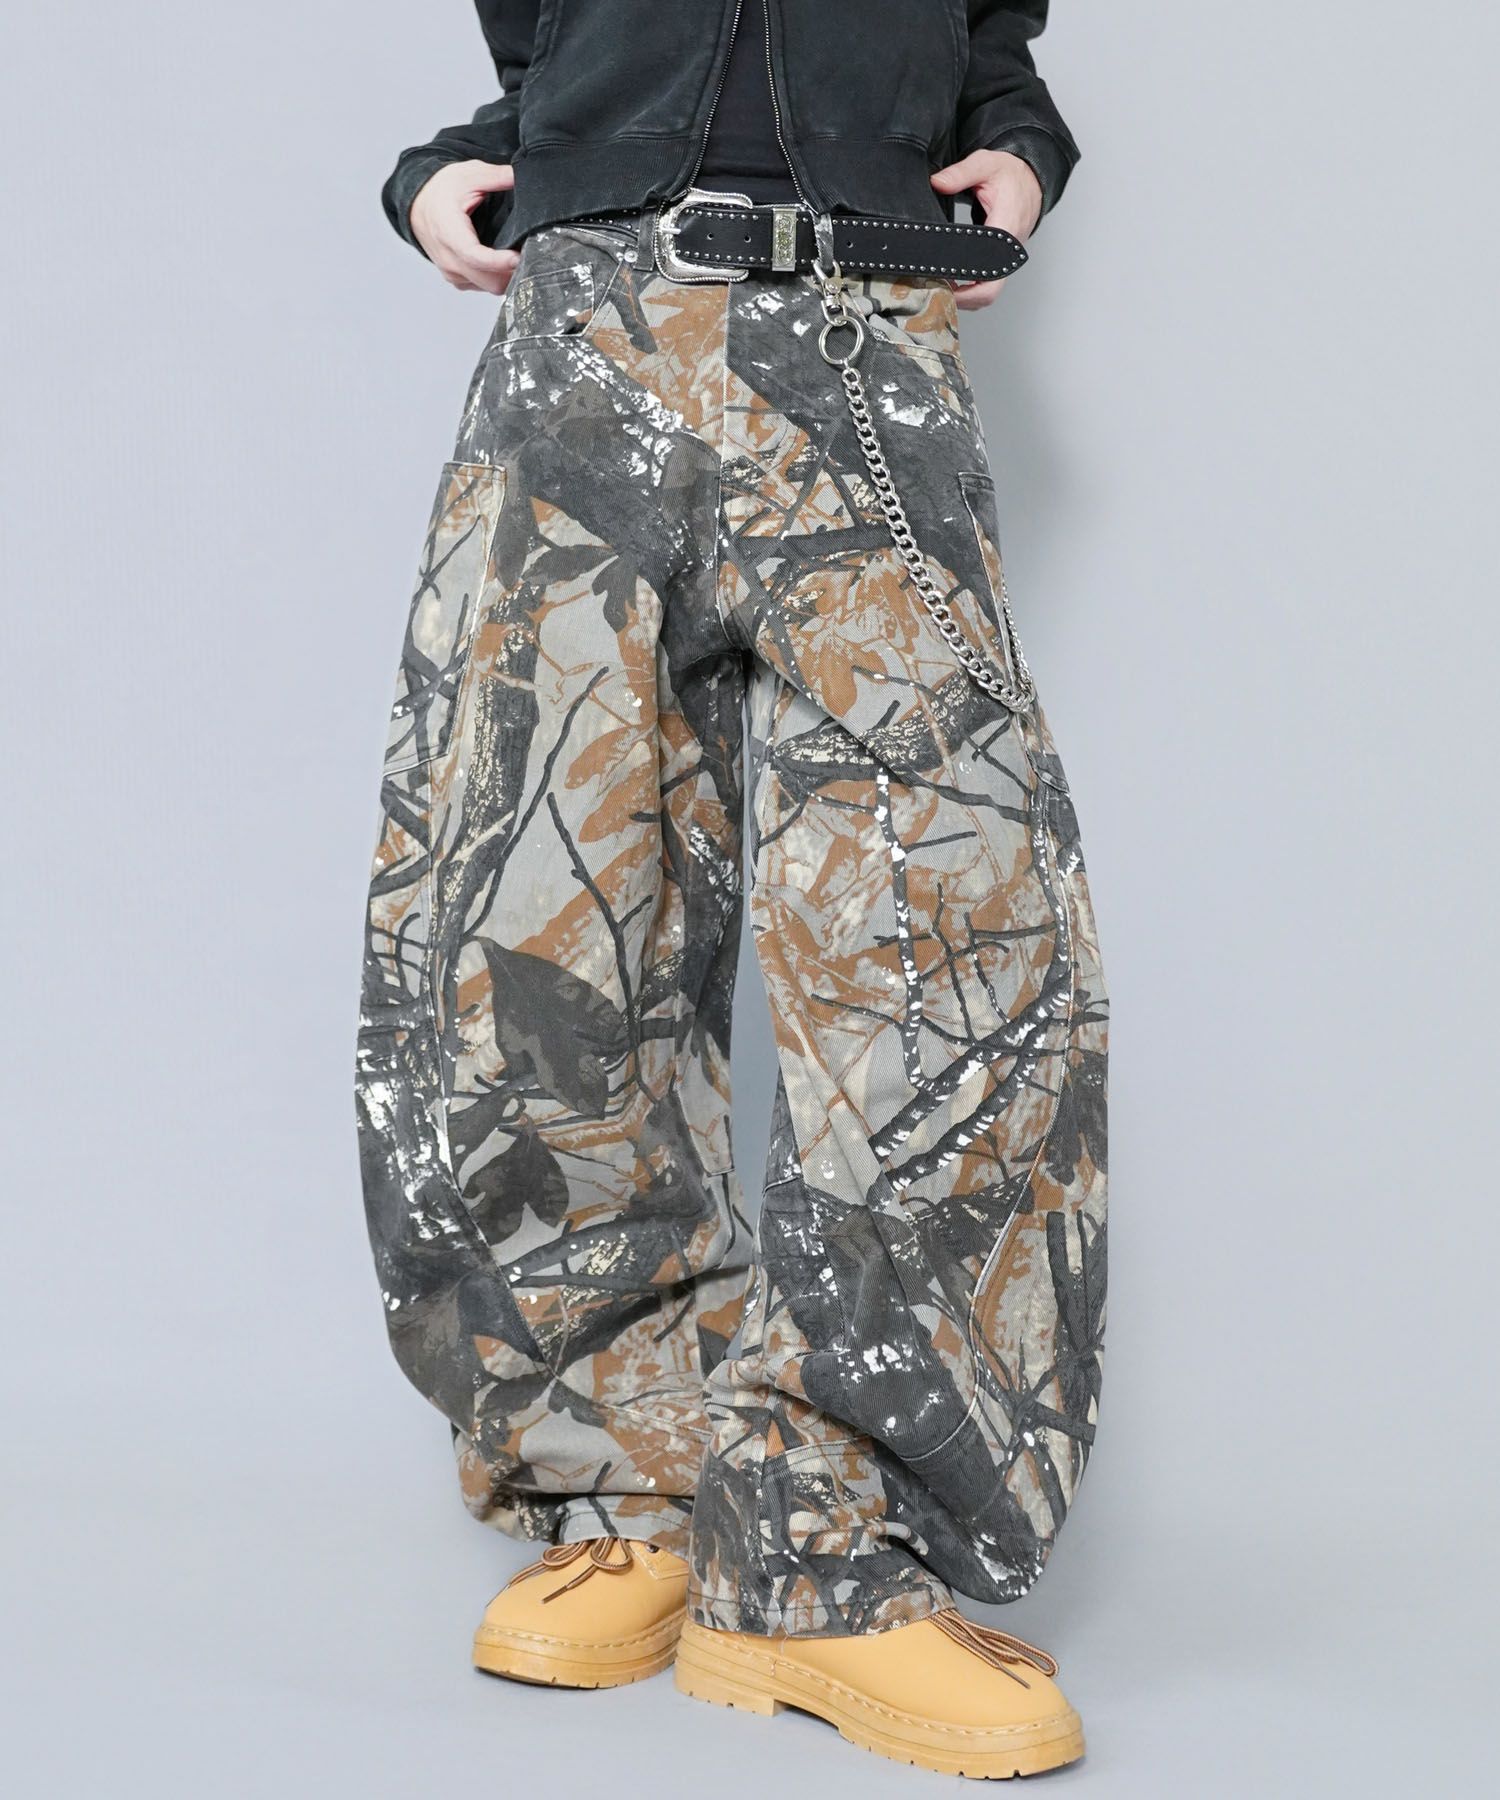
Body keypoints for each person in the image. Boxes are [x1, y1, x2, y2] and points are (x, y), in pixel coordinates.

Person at [357, 1, 1107, 1779]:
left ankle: (830, 1555)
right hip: (583, 338)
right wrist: (460, 170)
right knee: (539, 923)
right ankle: (628, 1483)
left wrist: (1021, 148)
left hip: (865, 330)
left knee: (942, 936)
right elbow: (561, 55)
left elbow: (986, 48)